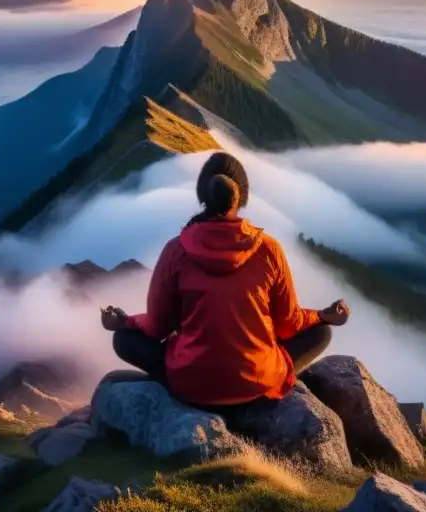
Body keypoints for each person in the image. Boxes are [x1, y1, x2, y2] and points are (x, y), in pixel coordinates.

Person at [100, 151, 349, 408]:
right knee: (321, 333)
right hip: (256, 384)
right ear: (241, 196)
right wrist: (321, 316)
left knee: (124, 339)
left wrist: (125, 321)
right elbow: (288, 325)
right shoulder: (268, 249)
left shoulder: (176, 250)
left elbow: (156, 328)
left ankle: (194, 390)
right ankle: (250, 388)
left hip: (191, 383)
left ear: (203, 196)